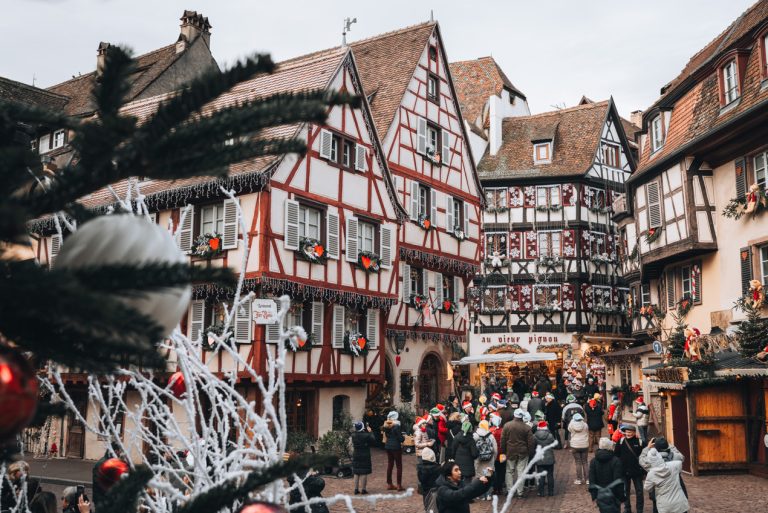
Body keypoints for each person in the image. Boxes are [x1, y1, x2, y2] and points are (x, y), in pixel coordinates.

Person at [639, 438, 687, 513]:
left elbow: (641, 459)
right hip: (676, 490)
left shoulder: (650, 461)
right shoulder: (675, 457)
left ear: (655, 448)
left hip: (659, 495)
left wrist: (648, 447)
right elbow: (681, 457)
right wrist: (668, 445)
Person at [499, 408, 535, 498]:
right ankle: (520, 492)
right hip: (523, 452)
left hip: (510, 451)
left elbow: (503, 440)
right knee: (521, 472)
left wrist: (503, 451)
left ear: (514, 415)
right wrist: (531, 453)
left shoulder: (507, 425)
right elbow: (531, 442)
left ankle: (510, 490)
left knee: (509, 471)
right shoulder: (527, 427)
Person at [614, 424, 646, 513]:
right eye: (627, 432)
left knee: (639, 492)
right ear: (625, 432)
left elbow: (645, 456)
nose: (628, 434)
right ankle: (627, 509)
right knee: (625, 491)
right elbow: (616, 455)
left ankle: (639, 510)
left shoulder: (640, 442)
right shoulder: (620, 442)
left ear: (634, 432)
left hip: (637, 471)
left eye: (630, 432)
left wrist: (643, 470)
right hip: (624, 471)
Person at [589, 438, 626, 513]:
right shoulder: (616, 460)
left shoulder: (593, 461)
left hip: (600, 493)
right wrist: (621, 497)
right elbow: (618, 480)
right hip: (613, 493)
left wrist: (594, 496)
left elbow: (592, 479)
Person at [473, 420, 497, 500]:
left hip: (479, 460)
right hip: (489, 461)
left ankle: (481, 495)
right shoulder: (490, 435)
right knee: (488, 476)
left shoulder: (475, 435)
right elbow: (495, 449)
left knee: (480, 477)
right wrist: (493, 458)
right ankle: (489, 494)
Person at [381, 410, 405, 491]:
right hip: (396, 447)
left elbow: (387, 435)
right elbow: (400, 438)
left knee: (390, 465)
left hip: (388, 446)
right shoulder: (397, 426)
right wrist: (404, 437)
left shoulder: (386, 425)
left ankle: (389, 483)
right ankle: (399, 485)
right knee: (399, 466)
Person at [350, 421, 375, 495]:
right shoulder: (366, 435)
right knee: (364, 472)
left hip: (356, 454)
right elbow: (373, 440)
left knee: (356, 471)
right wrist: (370, 432)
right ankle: (363, 489)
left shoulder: (353, 435)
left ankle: (356, 489)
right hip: (365, 454)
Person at [533, 421, 556, 497]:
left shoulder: (535, 436)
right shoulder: (550, 435)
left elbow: (533, 445)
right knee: (550, 475)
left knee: (541, 476)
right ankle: (551, 492)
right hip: (549, 457)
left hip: (540, 457)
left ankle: (541, 492)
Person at [568, 412, 589, 485]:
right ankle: (587, 479)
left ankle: (579, 479)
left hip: (575, 445)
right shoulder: (585, 425)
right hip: (584, 444)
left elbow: (569, 429)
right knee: (585, 462)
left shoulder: (571, 425)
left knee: (578, 462)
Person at [488, 413, 505, 495]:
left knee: (494, 471)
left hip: (494, 454)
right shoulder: (503, 430)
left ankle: (495, 488)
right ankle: (500, 487)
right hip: (502, 454)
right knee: (502, 470)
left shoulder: (490, 431)